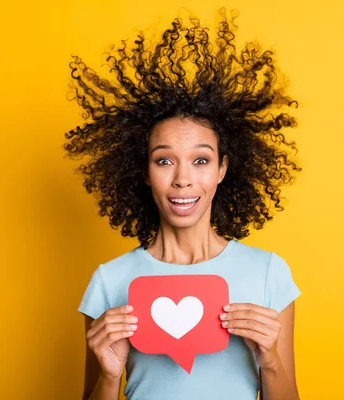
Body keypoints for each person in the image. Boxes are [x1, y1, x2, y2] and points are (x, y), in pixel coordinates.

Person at [63, 8, 303, 400]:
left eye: (201, 160)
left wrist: (270, 360)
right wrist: (109, 376)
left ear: (223, 168)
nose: (183, 178)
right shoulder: (109, 281)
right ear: (143, 172)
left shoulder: (268, 274)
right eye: (164, 160)